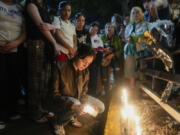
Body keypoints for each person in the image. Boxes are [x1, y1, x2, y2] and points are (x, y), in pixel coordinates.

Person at [47, 45, 105, 135]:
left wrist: (86, 104)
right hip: (61, 102)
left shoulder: (85, 72)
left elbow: (83, 93)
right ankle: (58, 122)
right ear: (76, 55)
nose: (85, 65)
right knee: (77, 103)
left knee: (100, 107)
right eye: (83, 61)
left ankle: (72, 116)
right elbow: (53, 95)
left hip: (77, 99)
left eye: (89, 63)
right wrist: (73, 106)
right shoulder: (59, 67)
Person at [25, 0, 59, 122]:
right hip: (36, 45)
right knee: (36, 79)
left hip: (45, 46)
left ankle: (41, 109)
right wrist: (54, 43)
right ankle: (35, 113)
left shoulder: (42, 6)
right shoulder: (31, 5)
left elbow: (48, 27)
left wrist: (51, 26)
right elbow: (41, 26)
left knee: (44, 79)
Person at [0, 0, 26, 129]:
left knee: (12, 81)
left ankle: (11, 111)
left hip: (15, 49)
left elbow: (24, 30)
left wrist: (16, 43)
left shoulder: (20, 7)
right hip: (1, 48)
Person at [124, 7, 148, 89]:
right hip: (130, 49)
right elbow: (126, 37)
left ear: (140, 13)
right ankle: (132, 88)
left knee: (141, 70)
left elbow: (145, 36)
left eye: (137, 12)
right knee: (130, 69)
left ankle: (142, 89)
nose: (135, 14)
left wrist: (135, 38)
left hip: (140, 49)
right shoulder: (129, 26)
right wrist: (129, 39)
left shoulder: (145, 24)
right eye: (133, 13)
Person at [101, 23, 124, 94]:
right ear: (105, 29)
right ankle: (106, 90)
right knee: (104, 70)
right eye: (108, 27)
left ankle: (117, 89)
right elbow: (99, 48)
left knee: (117, 69)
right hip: (104, 57)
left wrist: (113, 54)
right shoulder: (102, 37)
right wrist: (104, 51)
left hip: (114, 57)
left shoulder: (117, 38)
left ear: (114, 29)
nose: (109, 29)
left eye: (111, 27)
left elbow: (120, 49)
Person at [88, 22, 104, 96]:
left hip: (94, 64)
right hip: (85, 63)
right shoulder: (86, 37)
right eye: (92, 29)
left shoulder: (98, 39)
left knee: (93, 81)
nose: (93, 31)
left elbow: (100, 53)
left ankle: (93, 97)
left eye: (95, 30)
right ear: (90, 28)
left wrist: (96, 64)